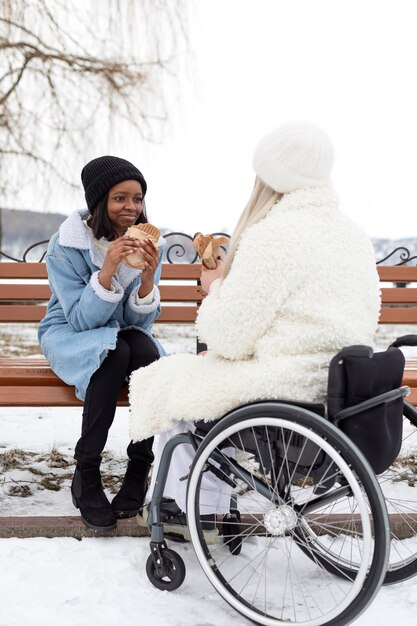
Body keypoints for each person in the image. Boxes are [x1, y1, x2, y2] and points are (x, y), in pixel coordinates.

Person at [129, 121, 381, 538]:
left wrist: (214, 293)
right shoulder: (352, 235)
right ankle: (207, 495)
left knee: (171, 382)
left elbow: (229, 336)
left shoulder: (274, 235)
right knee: (195, 381)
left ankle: (193, 509)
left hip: (286, 385)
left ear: (273, 175)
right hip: (343, 383)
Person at [38, 156, 165, 532]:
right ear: (100, 202)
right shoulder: (67, 244)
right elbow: (80, 319)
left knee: (145, 353)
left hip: (120, 332)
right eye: (120, 199)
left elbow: (138, 325)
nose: (131, 208)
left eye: (137, 199)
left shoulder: (145, 244)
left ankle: (139, 469)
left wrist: (146, 281)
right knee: (115, 352)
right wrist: (108, 270)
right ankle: (87, 475)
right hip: (69, 332)